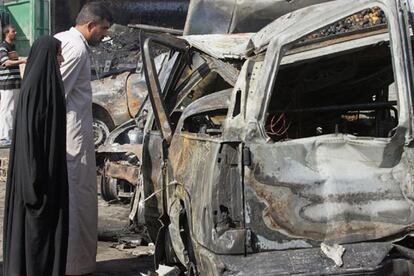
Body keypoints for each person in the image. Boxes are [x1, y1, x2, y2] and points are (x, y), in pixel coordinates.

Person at [3, 36, 68, 276]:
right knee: (34, 238)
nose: (61, 60)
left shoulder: (46, 88)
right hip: (38, 184)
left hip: (46, 178)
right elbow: (30, 141)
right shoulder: (35, 92)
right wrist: (34, 186)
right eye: (58, 54)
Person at [54, 3, 112, 275]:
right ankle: (75, 266)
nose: (105, 35)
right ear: (91, 25)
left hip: (75, 135)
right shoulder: (75, 49)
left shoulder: (65, 41)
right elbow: (54, 94)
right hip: (72, 138)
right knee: (78, 199)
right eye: (104, 29)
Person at [0, 25, 26, 147]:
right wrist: (22, 61)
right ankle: (4, 137)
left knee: (14, 110)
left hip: (16, 83)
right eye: (13, 31)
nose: (15, 33)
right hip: (7, 84)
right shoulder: (3, 47)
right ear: (6, 33)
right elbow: (6, 62)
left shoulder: (12, 47)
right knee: (7, 110)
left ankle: (11, 136)